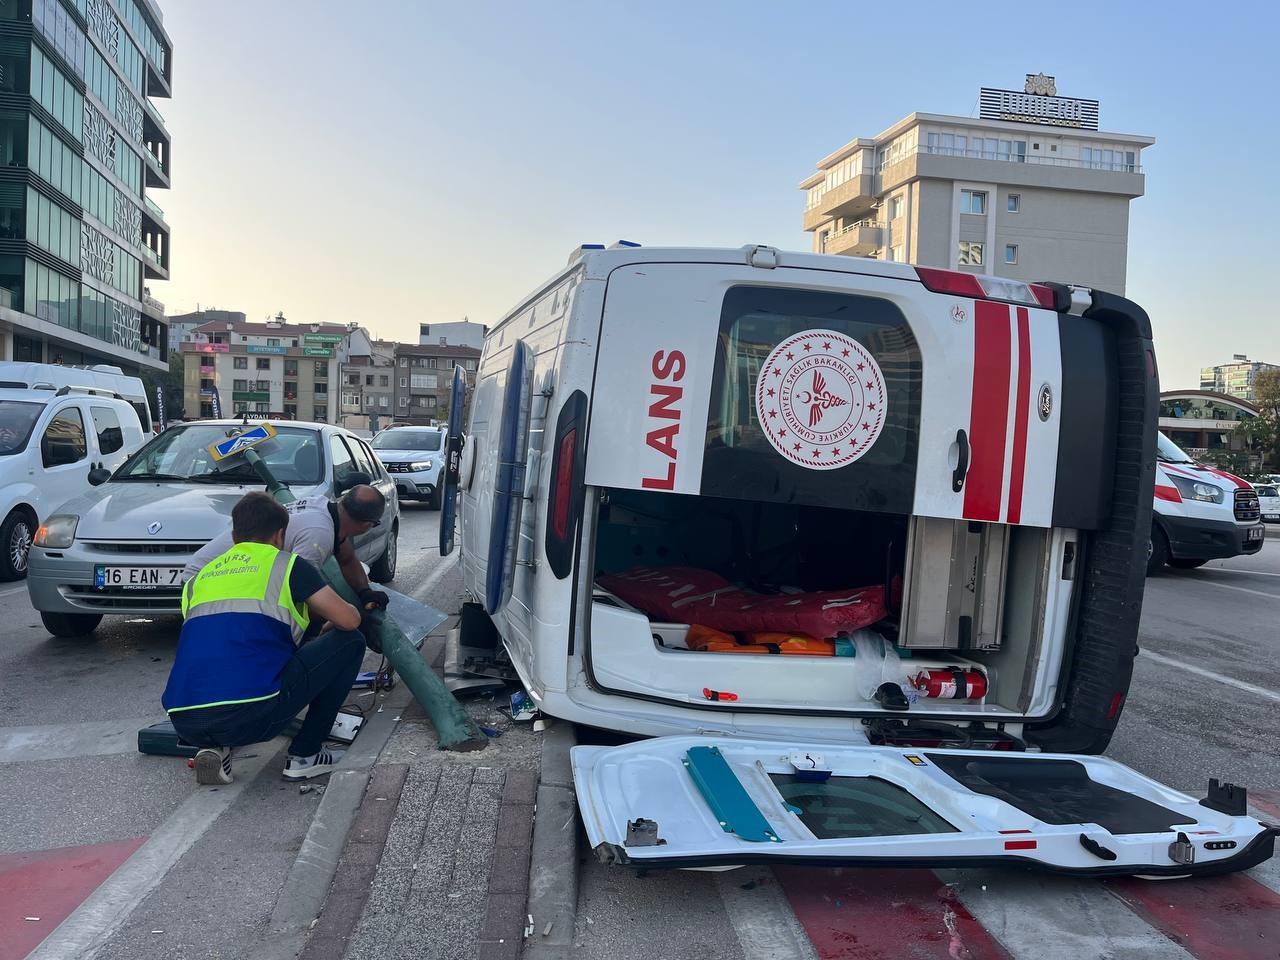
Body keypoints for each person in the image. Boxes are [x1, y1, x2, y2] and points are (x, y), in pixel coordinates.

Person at [162, 492, 366, 785]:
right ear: (280, 535)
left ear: (234, 535)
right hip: (254, 715)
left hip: (183, 719)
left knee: (227, 668)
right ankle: (305, 755)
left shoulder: (200, 578)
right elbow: (349, 620)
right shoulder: (287, 565)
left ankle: (218, 748)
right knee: (351, 641)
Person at [183, 485, 390, 646]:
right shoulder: (319, 533)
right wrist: (349, 615)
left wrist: (364, 592)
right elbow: (305, 598)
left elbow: (347, 559)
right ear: (366, 525)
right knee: (298, 625)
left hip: (211, 571)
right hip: (207, 579)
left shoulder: (325, 510)